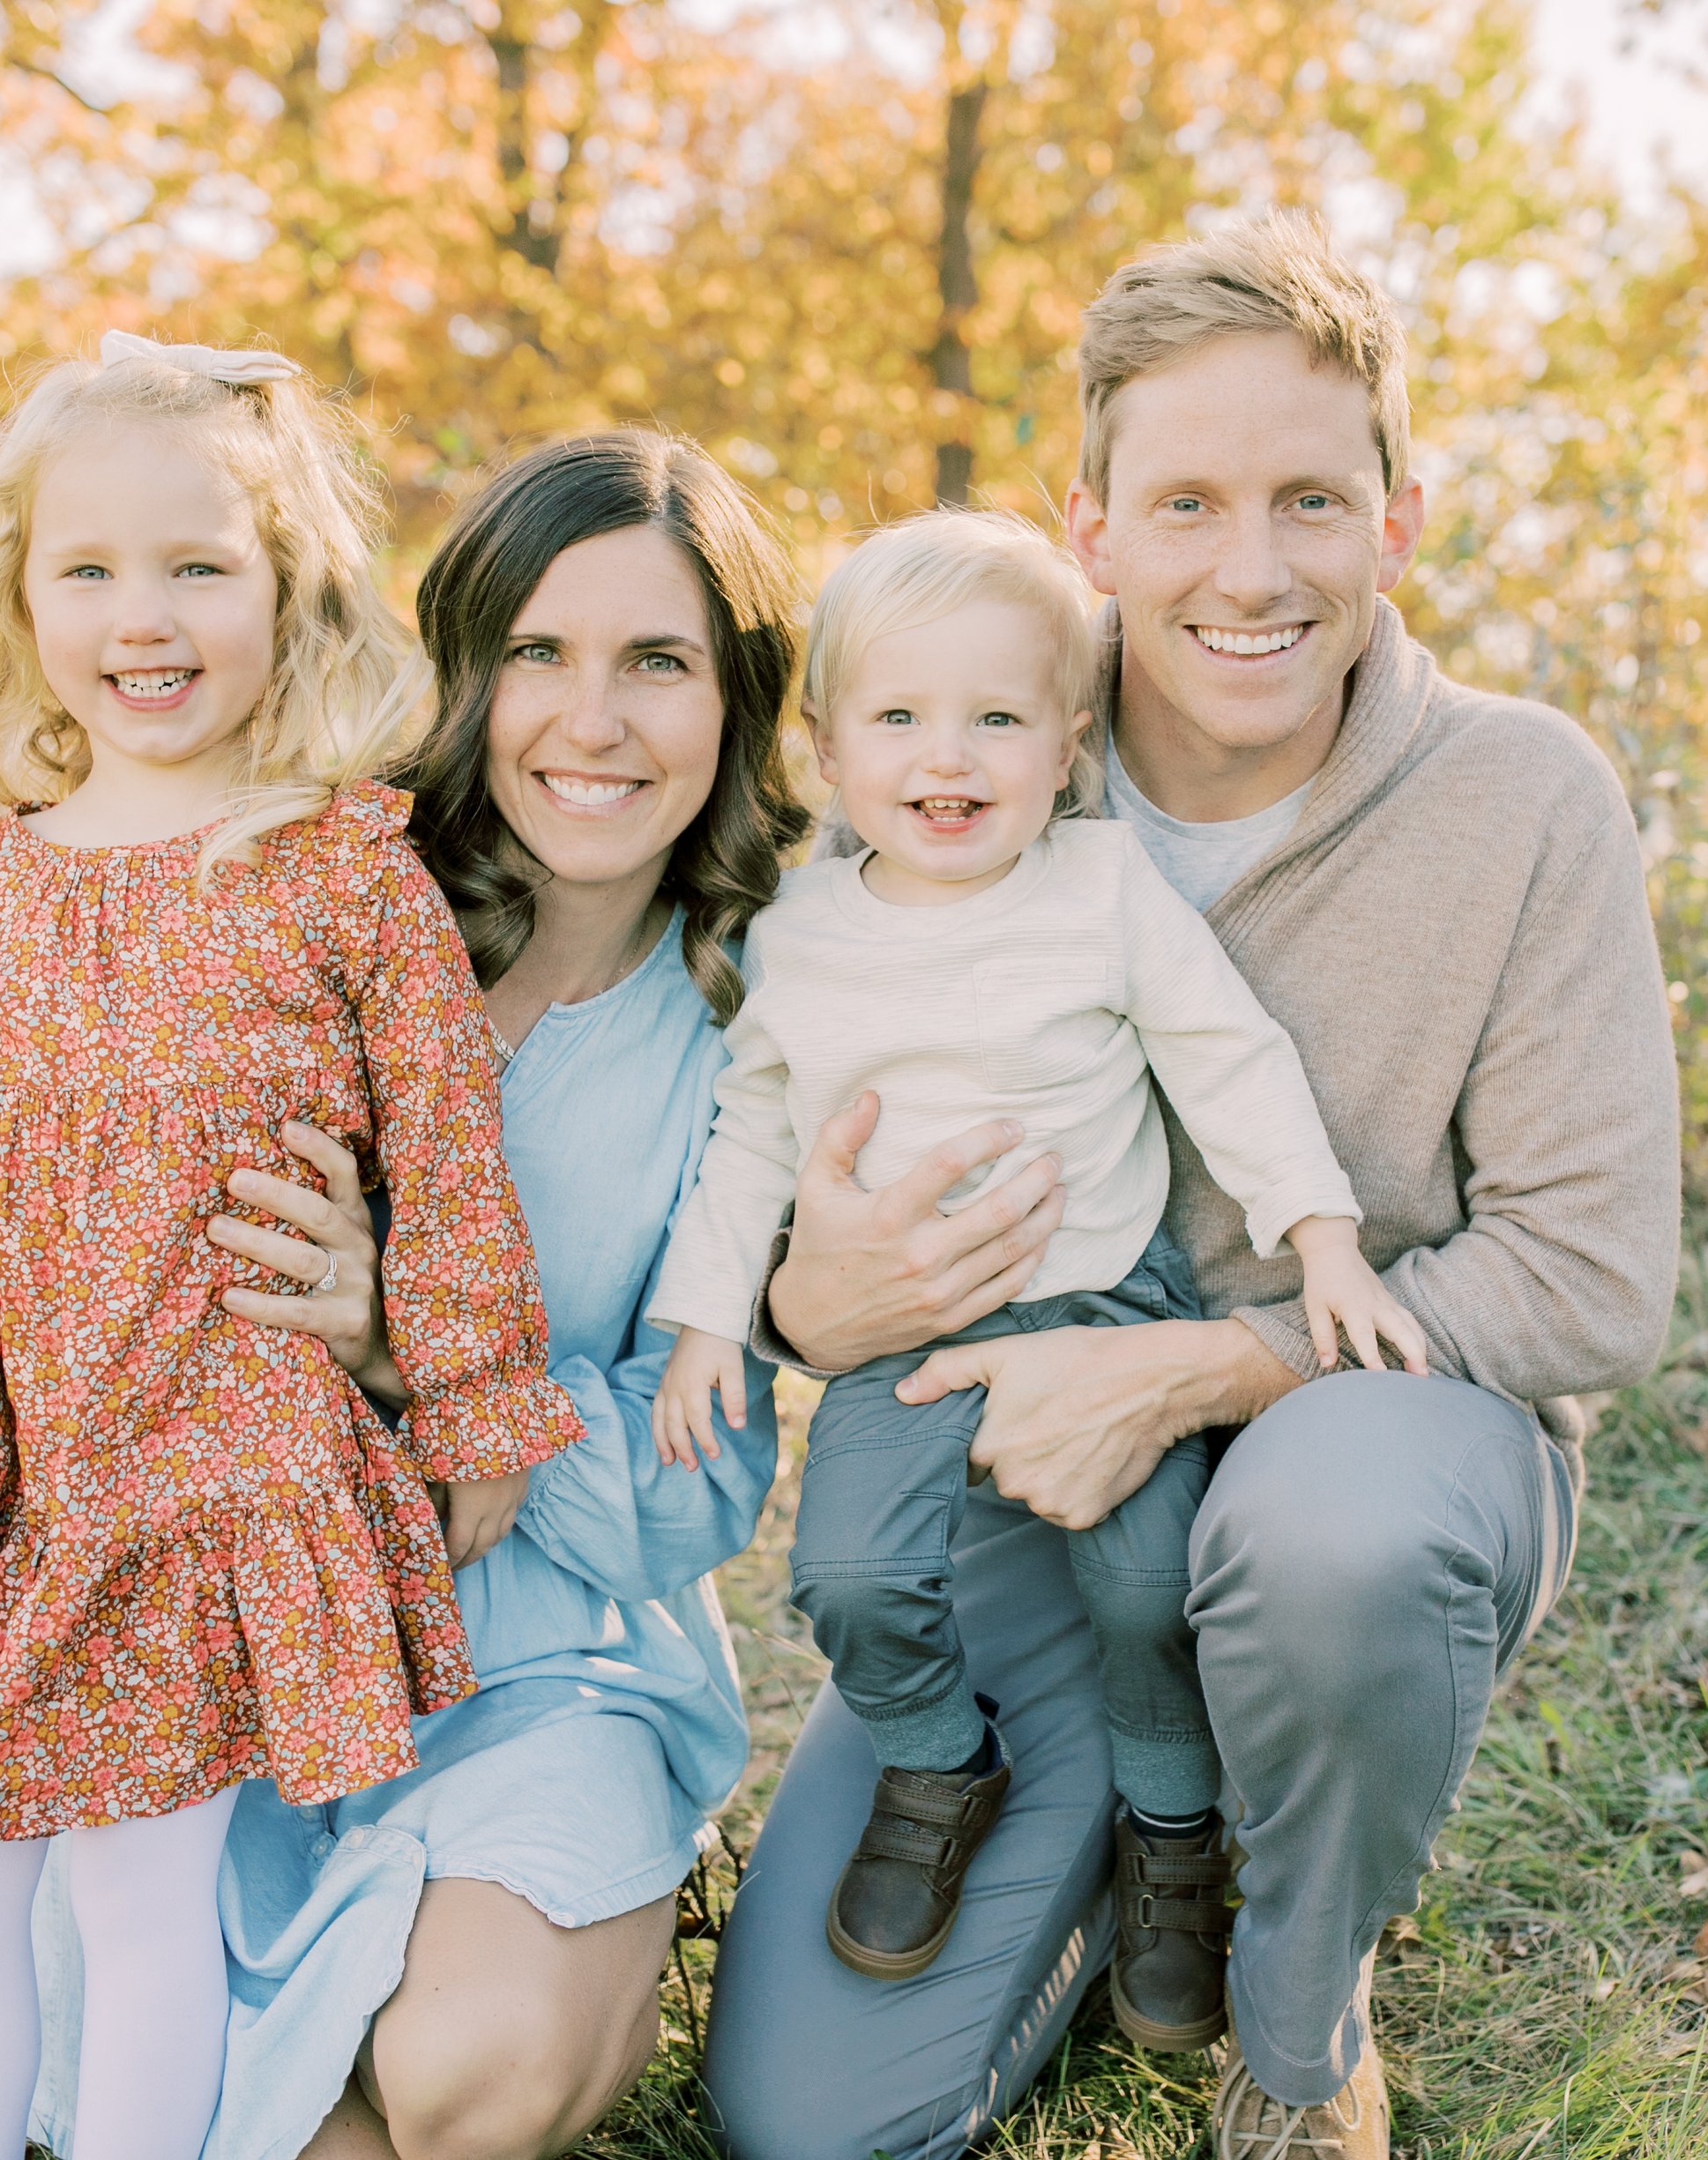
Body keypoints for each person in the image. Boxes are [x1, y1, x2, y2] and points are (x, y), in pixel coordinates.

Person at [703, 214, 1681, 2160]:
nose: (1250, 570)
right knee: (810, 2120)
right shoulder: (973, 772)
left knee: (1327, 1543)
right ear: (1090, 526)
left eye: (1309, 498)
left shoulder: (1518, 797)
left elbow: (1586, 1279)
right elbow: (763, 1141)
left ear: (1394, 520)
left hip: (1366, 1462)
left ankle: (1299, 2017)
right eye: (1185, 504)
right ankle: (1148, 1824)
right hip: (1034, 1485)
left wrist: (1204, 1370)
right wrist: (808, 1308)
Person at [0, 331, 581, 2160]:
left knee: (141, 1911)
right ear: (19, 601)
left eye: (197, 564)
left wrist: (476, 1399)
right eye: (85, 567)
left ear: (285, 591)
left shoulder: (336, 871)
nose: (141, 614)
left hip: (189, 1458)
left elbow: (446, 1152)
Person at [26, 429, 811, 2160]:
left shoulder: (761, 1030)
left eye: (656, 664)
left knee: (463, 2067)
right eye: (536, 653)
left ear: (736, 702)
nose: (588, 722)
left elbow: (694, 1498)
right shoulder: (313, 904)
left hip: (553, 1671)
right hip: (237, 1660)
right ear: (464, 673)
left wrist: (425, 1341)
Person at [646, 510, 1421, 2036]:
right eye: (900, 718)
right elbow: (748, 1130)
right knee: (848, 1574)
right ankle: (942, 1760)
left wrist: (1318, 1226)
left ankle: (1171, 1828)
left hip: (1103, 1305)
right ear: (824, 745)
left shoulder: (1099, 889)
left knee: (1149, 1590)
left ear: (1068, 741)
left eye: (997, 717)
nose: (951, 757)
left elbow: (1226, 1056)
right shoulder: (802, 934)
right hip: (904, 1334)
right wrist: (699, 1323)